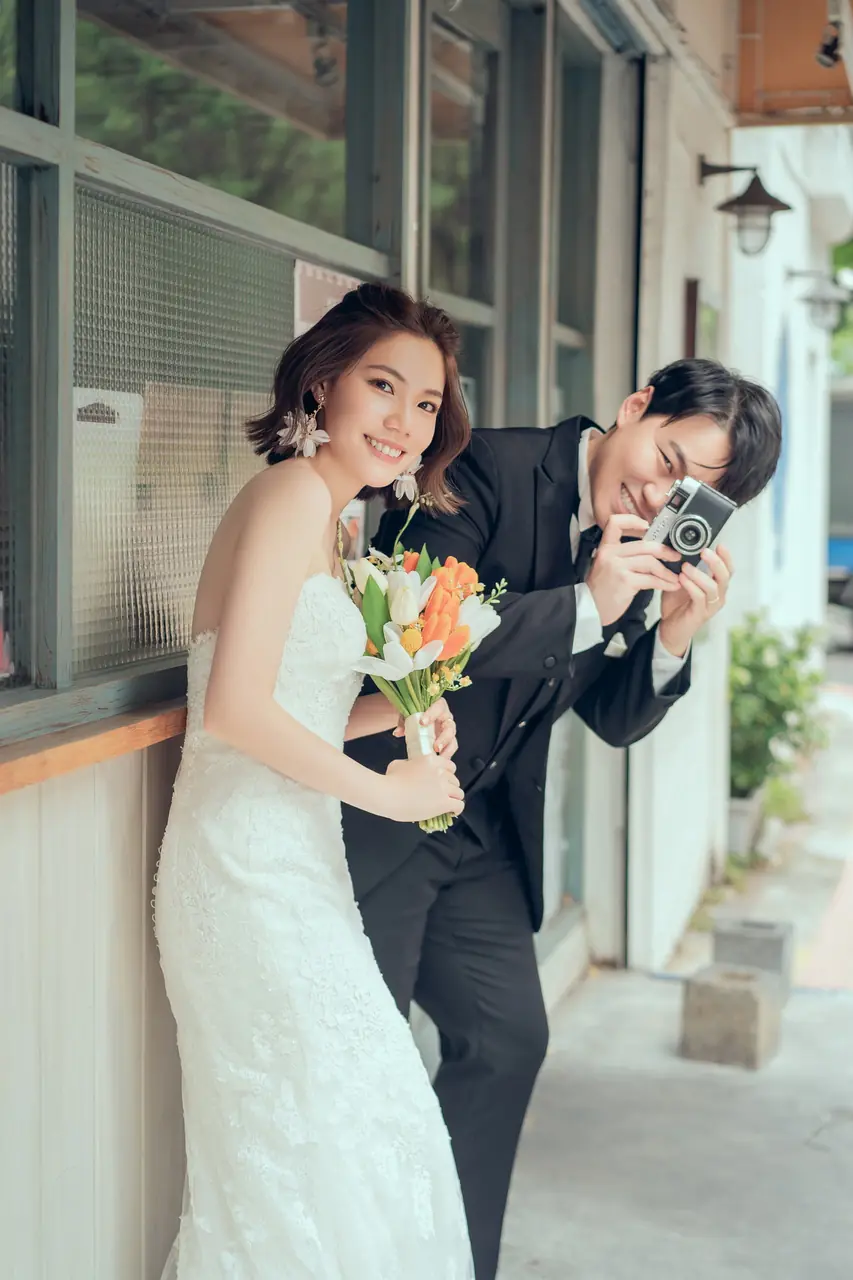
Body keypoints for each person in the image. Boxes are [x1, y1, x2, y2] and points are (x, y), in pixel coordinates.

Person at [342, 357, 783, 1280]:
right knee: (364, 1056)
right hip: (380, 804)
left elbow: (612, 718)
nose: (659, 496)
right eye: (664, 460)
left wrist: (671, 633)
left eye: (689, 496)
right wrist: (590, 603)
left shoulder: (646, 546)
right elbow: (407, 640)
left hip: (483, 832)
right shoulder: (474, 467)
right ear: (634, 406)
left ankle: (451, 1263)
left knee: (506, 1041)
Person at [153, 283, 478, 1279]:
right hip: (243, 870)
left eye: (425, 403)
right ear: (323, 380)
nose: (404, 420)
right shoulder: (291, 494)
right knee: (316, 1143)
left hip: (297, 867)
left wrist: (405, 705)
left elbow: (288, 706)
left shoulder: (338, 528)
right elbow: (231, 710)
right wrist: (390, 793)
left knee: (358, 1134)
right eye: (383, 386)